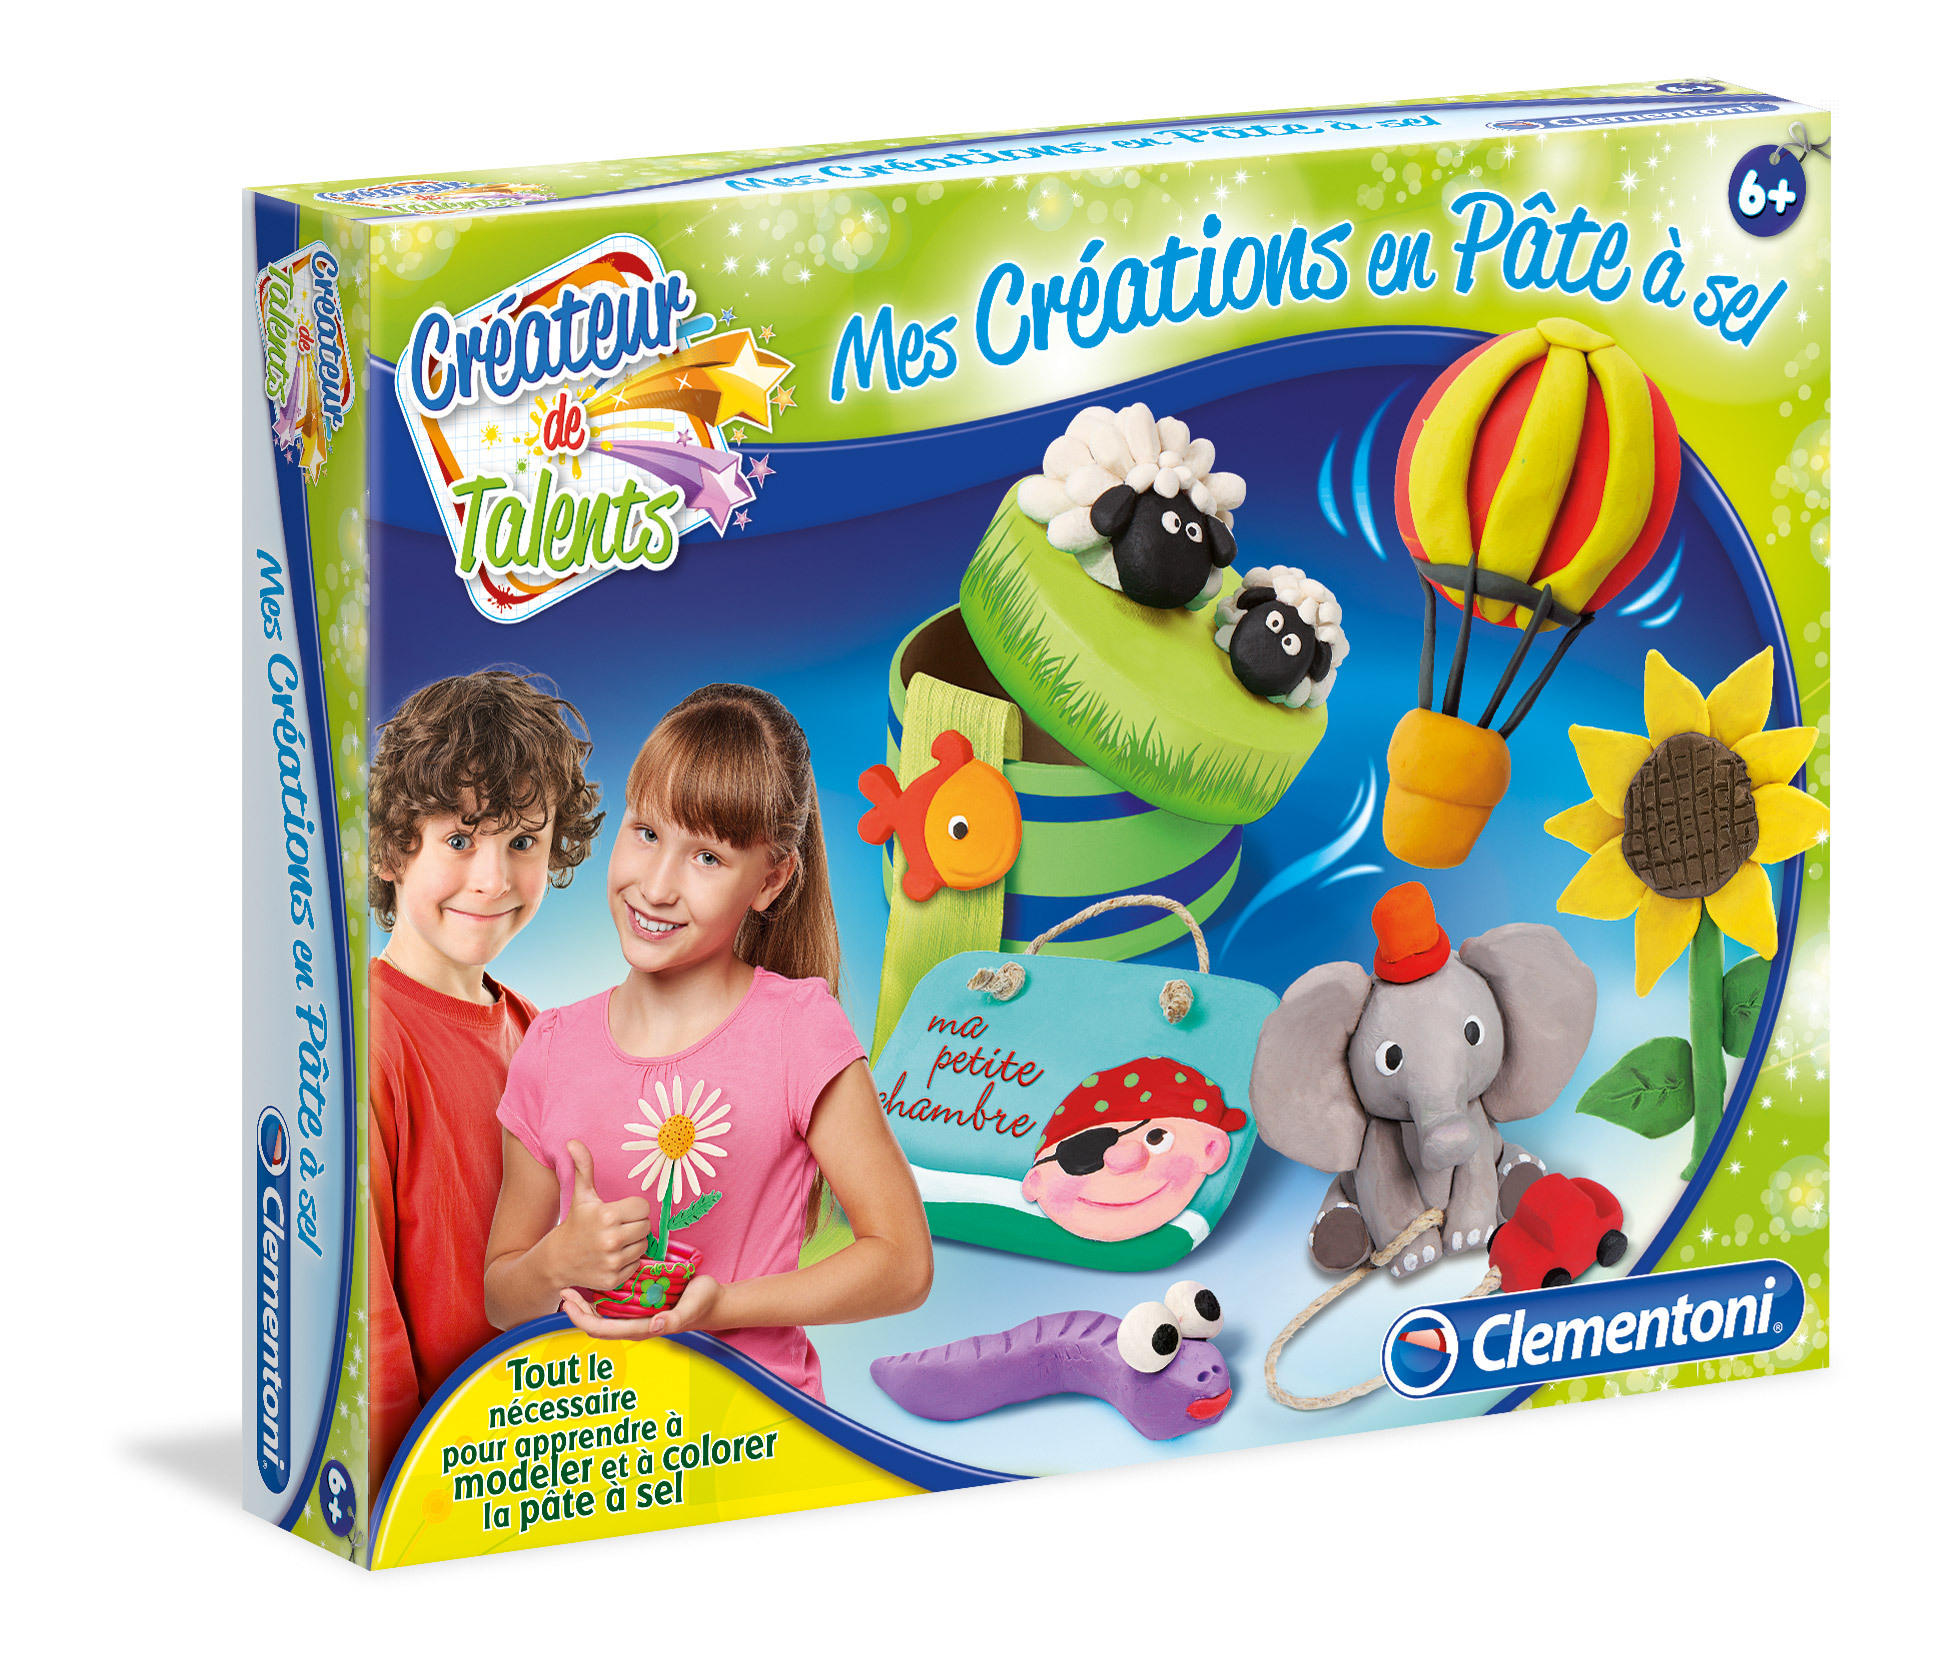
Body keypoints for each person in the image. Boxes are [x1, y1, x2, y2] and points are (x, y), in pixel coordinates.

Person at [482, 684, 932, 1398]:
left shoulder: (797, 1030)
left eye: (708, 858)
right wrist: (555, 1262)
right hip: (591, 1437)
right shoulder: (550, 1048)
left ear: (771, 879)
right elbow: (502, 1298)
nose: (657, 887)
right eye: (646, 832)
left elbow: (903, 1263)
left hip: (756, 1430)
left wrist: (723, 1306)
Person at [366, 670, 603, 1487]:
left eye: (523, 843)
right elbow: (366, 1310)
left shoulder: (538, 1033)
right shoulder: (370, 1039)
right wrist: (394, 1486)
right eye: (461, 839)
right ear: (394, 847)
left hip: (531, 1449)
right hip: (430, 1472)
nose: (493, 878)